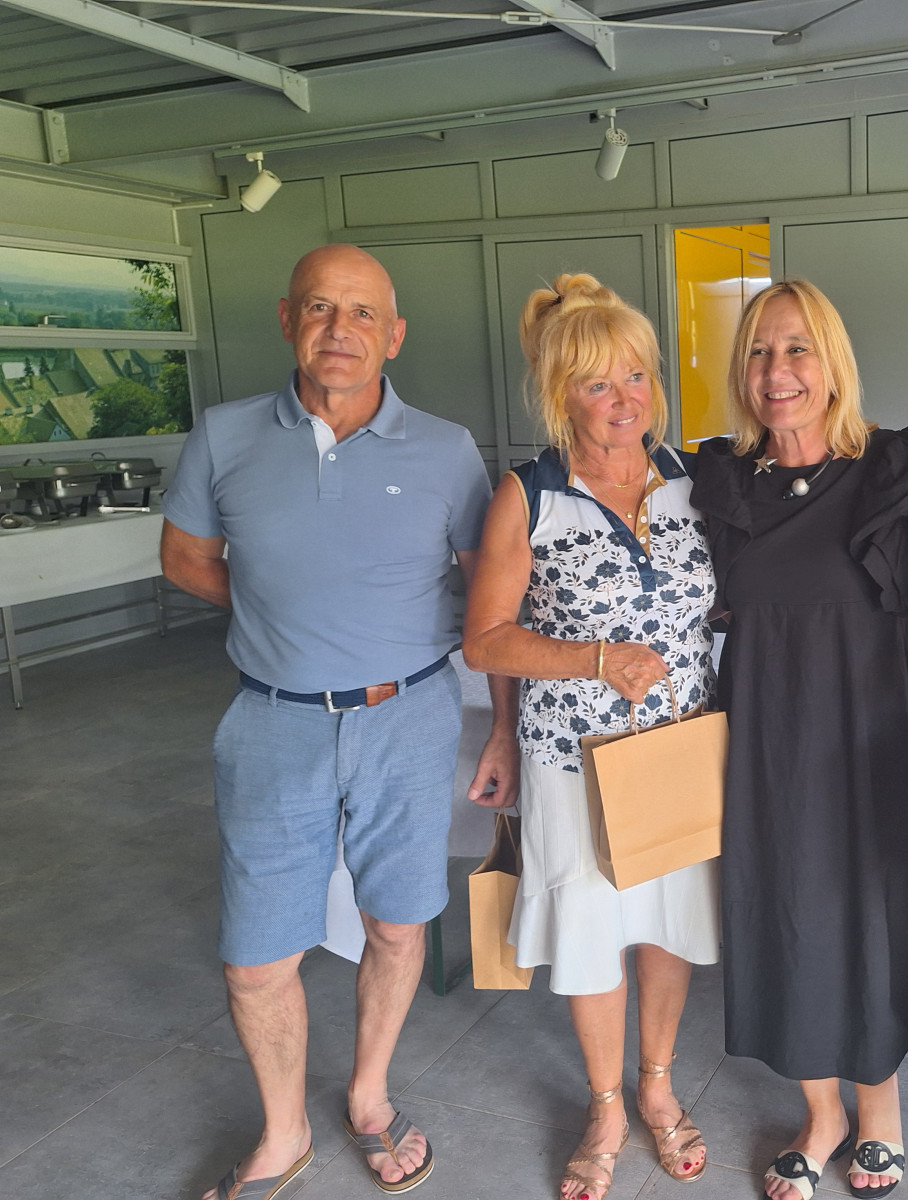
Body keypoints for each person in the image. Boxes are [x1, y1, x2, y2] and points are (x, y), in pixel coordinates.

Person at [161, 243, 508, 1198]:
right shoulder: (225, 435)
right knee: (255, 958)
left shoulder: (445, 448)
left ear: (394, 335)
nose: (339, 329)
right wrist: (280, 614)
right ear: (288, 319)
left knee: (397, 926)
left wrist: (502, 728)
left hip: (409, 716)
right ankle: (282, 1135)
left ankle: (368, 1096)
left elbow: (488, 597)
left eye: (362, 313)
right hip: (273, 723)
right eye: (319, 307)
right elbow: (185, 556)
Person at [689, 280, 908, 1200]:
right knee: (785, 911)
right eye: (760, 351)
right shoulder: (723, 480)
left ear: (833, 363)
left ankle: (879, 1112)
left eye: (797, 348)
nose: (778, 370)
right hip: (768, 733)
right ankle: (822, 1114)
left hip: (868, 732)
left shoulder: (897, 466)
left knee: (871, 916)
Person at [461, 273, 719, 1200]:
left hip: (680, 751)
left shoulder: (692, 479)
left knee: (667, 924)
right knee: (592, 929)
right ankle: (606, 1104)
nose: (624, 400)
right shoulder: (529, 494)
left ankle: (657, 1085)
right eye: (598, 384)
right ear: (559, 394)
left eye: (636, 377)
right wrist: (594, 660)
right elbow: (486, 638)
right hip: (572, 760)